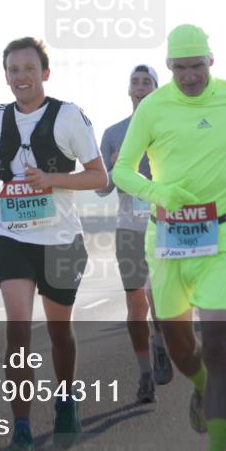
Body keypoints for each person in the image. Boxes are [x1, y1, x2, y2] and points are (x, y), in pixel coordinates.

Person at [112, 24, 226, 451]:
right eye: (179, 68)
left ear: (211, 62)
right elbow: (122, 170)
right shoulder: (154, 108)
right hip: (167, 241)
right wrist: (158, 189)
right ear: (169, 68)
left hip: (221, 236)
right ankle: (200, 387)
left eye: (195, 66)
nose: (188, 77)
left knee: (218, 345)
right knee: (182, 349)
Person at [0, 37, 106, 451]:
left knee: (58, 331)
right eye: (13, 70)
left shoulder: (68, 116)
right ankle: (21, 431)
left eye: (28, 69)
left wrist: (53, 181)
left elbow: (97, 177)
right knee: (18, 329)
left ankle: (66, 398)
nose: (21, 77)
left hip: (60, 238)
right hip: (12, 234)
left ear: (44, 73)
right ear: (6, 76)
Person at [96, 64, 173, 404]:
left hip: (164, 226)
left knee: (158, 299)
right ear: (129, 90)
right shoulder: (114, 133)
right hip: (128, 226)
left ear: (156, 90)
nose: (140, 87)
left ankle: (160, 342)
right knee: (135, 303)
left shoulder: (171, 129)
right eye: (135, 82)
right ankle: (144, 374)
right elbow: (100, 187)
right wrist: (113, 167)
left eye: (147, 83)